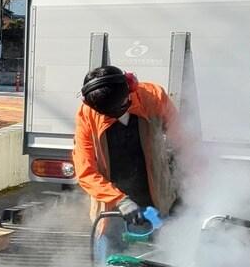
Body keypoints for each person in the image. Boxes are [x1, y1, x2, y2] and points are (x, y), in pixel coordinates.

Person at [73, 65, 187, 250]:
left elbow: (184, 143)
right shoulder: (87, 114)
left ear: (131, 86)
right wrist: (120, 201)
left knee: (164, 257)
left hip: (157, 195)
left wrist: (195, 191)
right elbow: (85, 171)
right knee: (112, 260)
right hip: (114, 205)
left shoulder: (153, 97)